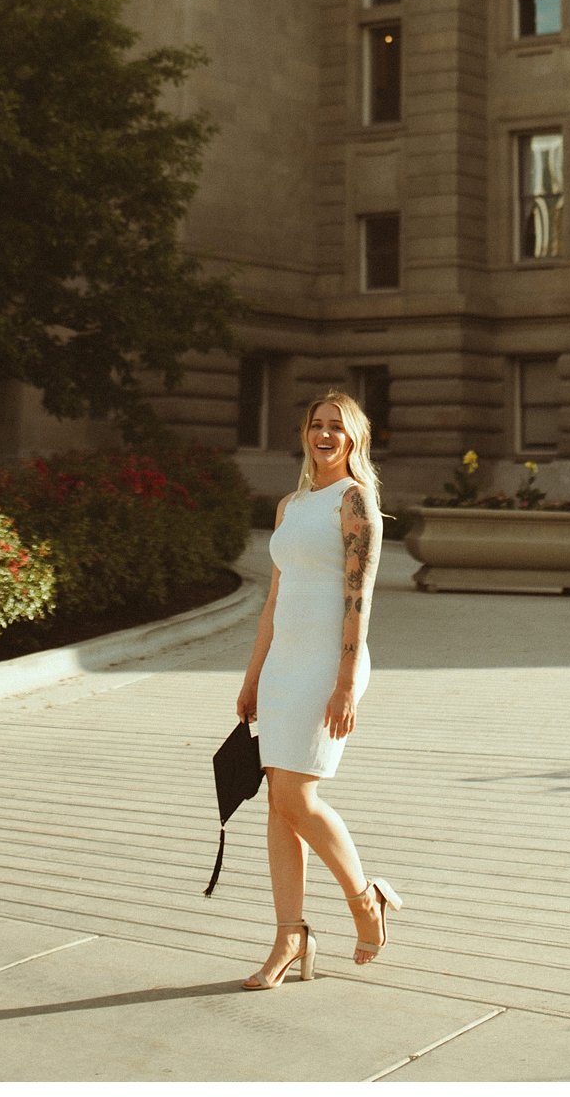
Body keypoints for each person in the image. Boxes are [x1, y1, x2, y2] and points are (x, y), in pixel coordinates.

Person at [235, 391, 402, 988]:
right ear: (305, 433)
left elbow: (360, 601)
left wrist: (346, 684)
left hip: (328, 668)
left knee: (298, 798)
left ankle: (364, 899)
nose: (325, 435)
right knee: (279, 806)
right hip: (283, 667)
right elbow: (273, 602)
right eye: (316, 425)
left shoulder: (355, 504)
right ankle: (290, 935)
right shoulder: (291, 505)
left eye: (337, 427)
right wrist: (253, 677)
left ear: (355, 439)